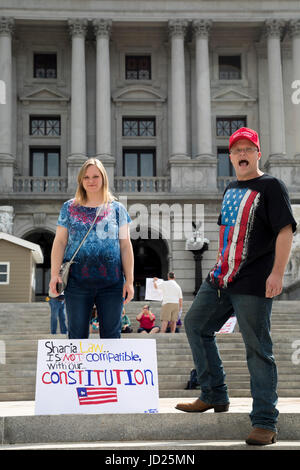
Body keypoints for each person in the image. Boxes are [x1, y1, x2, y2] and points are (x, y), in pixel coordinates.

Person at [175, 127, 297, 446]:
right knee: (194, 324)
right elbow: (229, 235)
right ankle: (214, 393)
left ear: (258, 153)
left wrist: (277, 273)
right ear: (229, 157)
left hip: (255, 281)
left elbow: (285, 231)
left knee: (257, 349)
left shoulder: (271, 186)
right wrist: (218, 268)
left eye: (248, 149)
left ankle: (265, 422)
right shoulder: (230, 189)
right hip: (221, 278)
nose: (242, 154)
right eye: (236, 150)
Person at [49, 158, 134, 339]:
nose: (91, 181)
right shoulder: (69, 208)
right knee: (77, 336)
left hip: (112, 283)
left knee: (112, 337)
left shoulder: (117, 209)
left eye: (95, 176)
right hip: (77, 283)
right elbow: (60, 242)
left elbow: (125, 246)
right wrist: (54, 274)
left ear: (103, 178)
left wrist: (130, 281)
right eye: (86, 177)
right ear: (81, 180)